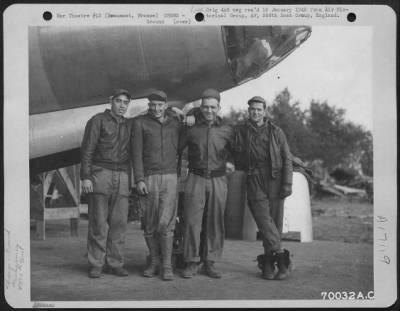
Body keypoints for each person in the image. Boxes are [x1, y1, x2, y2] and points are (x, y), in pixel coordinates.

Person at [178, 88, 235, 279]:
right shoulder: (191, 128)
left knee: (215, 221)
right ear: (200, 108)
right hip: (196, 178)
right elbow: (176, 148)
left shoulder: (227, 129)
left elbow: (239, 152)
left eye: (213, 107)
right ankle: (192, 262)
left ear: (219, 107)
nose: (209, 110)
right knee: (192, 222)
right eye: (205, 107)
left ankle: (209, 262)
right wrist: (188, 115)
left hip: (219, 179)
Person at [235, 96, 293, 280]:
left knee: (274, 223)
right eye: (252, 109)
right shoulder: (241, 131)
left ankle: (268, 262)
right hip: (254, 178)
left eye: (259, 109)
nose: (256, 112)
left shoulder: (276, 132)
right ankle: (283, 258)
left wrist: (287, 183)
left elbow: (287, 159)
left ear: (265, 111)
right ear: (248, 111)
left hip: (274, 178)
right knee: (264, 221)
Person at [80, 89, 132, 278]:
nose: (122, 105)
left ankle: (115, 263)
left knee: (119, 223)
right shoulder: (97, 121)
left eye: (125, 102)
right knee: (98, 222)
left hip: (123, 175)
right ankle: (96, 263)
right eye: (118, 101)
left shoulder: (129, 124)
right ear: (111, 101)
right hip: (100, 174)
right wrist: (85, 176)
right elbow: (87, 150)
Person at [131, 90, 181, 281]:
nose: (156, 108)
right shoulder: (140, 123)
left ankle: (167, 265)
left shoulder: (175, 124)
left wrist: (188, 115)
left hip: (169, 177)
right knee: (150, 222)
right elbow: (136, 154)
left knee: (166, 223)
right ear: (148, 105)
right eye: (153, 105)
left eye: (160, 105)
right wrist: (139, 180)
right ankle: (154, 262)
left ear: (166, 105)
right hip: (149, 177)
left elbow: (185, 142)